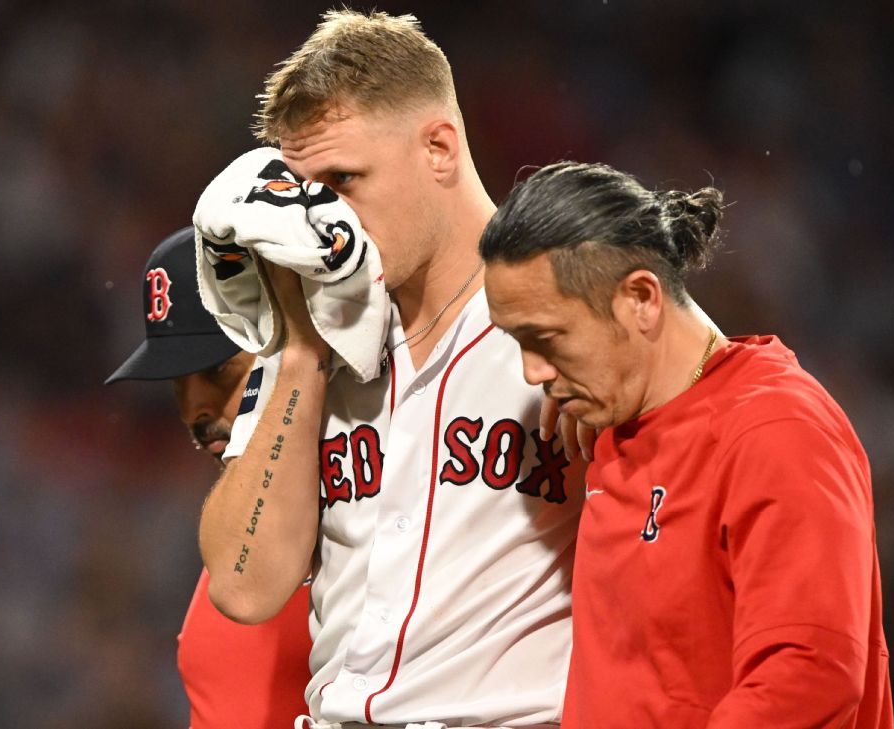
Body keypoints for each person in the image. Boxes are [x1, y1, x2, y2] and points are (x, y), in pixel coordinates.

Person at [196, 10, 583, 728]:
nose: (323, 221)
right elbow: (245, 585)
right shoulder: (313, 342)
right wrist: (303, 350)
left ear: (439, 148)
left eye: (345, 180)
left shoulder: (567, 318)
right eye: (308, 191)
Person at [480, 161, 894, 728]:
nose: (531, 372)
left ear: (642, 298)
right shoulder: (620, 416)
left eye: (546, 338)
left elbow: (809, 673)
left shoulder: (777, 431)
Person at [106, 227, 312, 729]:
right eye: (178, 383)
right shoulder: (239, 523)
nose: (195, 408)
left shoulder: (381, 500)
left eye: (218, 370)